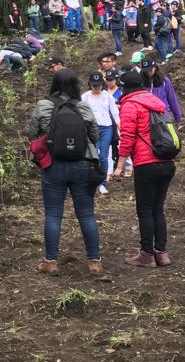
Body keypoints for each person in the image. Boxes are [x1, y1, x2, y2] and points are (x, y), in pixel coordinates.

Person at [27, 69, 102, 275]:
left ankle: (50, 262)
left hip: (53, 165)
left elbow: (32, 133)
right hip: (82, 164)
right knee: (86, 214)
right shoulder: (83, 107)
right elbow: (95, 136)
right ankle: (94, 262)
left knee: (53, 215)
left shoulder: (43, 106)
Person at [112, 70, 175, 267]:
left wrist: (119, 166)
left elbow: (128, 137)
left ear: (125, 87)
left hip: (146, 163)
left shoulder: (131, 105)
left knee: (145, 210)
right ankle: (161, 253)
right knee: (158, 209)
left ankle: (147, 255)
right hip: (167, 161)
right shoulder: (156, 102)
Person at [82, 73, 119, 196]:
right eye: (94, 86)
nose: (96, 88)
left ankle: (102, 183)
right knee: (93, 155)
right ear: (90, 85)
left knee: (103, 156)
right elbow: (81, 113)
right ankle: (91, 180)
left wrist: (120, 126)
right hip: (92, 129)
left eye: (98, 85)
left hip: (106, 127)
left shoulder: (107, 96)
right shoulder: (85, 97)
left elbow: (114, 112)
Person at [141, 58, 182, 124]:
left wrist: (178, 117)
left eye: (150, 70)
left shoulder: (164, 81)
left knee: (167, 133)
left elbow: (172, 99)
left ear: (155, 68)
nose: (148, 73)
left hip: (164, 114)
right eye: (145, 71)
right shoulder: (141, 83)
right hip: (148, 117)